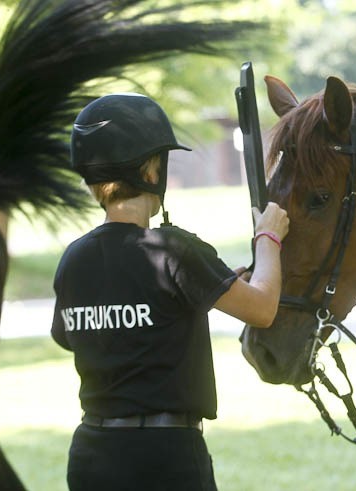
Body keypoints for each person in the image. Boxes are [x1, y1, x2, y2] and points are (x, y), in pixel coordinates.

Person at [50, 92, 288, 491]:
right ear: (150, 170)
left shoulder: (73, 259)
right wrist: (268, 237)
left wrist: (199, 289)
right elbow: (263, 308)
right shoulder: (174, 249)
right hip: (165, 455)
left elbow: (73, 336)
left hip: (92, 454)